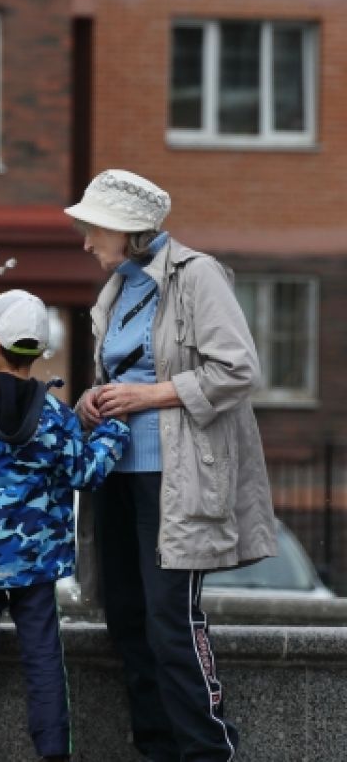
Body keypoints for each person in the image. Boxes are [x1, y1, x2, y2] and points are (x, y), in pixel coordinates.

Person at [66, 169, 278, 762]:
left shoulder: (196, 275)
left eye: (93, 229)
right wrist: (96, 396)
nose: (86, 241)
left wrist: (145, 396)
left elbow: (236, 370)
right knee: (127, 619)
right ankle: (157, 750)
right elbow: (127, 374)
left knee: (170, 623)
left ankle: (209, 752)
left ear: (126, 230)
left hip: (176, 478)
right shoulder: (120, 288)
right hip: (119, 476)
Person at [0, 289, 130, 762]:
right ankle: (53, 750)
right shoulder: (55, 417)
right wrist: (115, 429)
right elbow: (85, 474)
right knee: (43, 656)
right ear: (37, 352)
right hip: (36, 563)